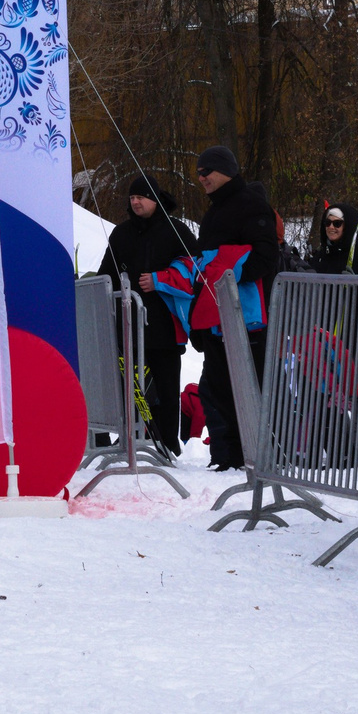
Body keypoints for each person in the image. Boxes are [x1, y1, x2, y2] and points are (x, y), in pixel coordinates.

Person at [167, 145, 279, 472]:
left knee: (252, 386)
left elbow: (265, 255)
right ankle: (225, 456)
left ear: (226, 170)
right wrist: (199, 321)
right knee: (215, 387)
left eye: (207, 171)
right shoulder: (213, 212)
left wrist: (228, 276)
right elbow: (204, 268)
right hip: (214, 318)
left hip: (248, 318)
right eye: (198, 172)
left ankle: (259, 456)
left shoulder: (252, 203)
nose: (201, 178)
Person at [97, 174, 197, 456]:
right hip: (127, 324)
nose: (136, 202)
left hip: (165, 324)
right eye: (132, 198)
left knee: (165, 386)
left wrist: (161, 279)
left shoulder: (175, 230)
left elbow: (195, 268)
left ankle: (167, 442)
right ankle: (131, 436)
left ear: (155, 199)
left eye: (141, 197)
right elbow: (107, 274)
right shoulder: (121, 233)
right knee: (129, 383)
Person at [308, 203, 358, 276]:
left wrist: (357, 284)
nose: (331, 227)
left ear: (347, 227)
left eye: (337, 223)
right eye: (328, 222)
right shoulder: (320, 256)